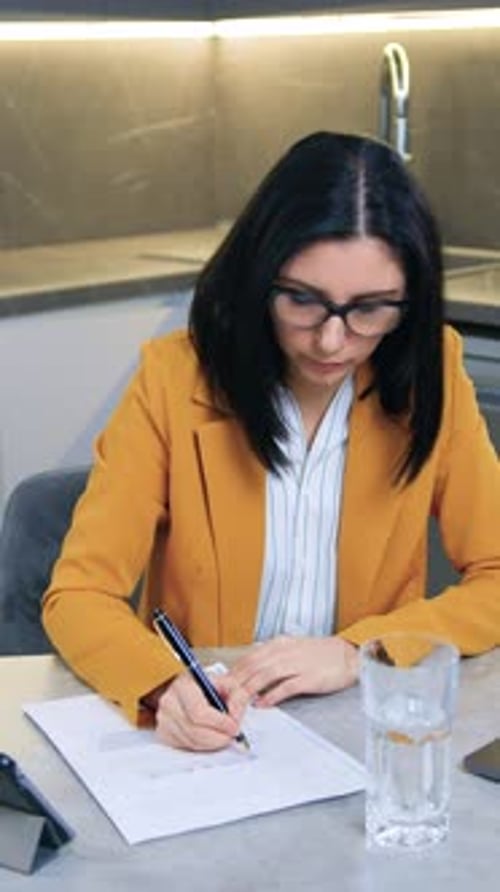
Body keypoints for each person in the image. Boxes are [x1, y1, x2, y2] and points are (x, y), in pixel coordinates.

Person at [42, 131, 500, 752]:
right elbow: (79, 594)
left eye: (371, 308)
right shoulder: (174, 380)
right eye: (304, 301)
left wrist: (356, 652)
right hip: (216, 738)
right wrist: (162, 685)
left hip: (359, 732)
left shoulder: (433, 373)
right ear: (260, 277)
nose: (332, 341)